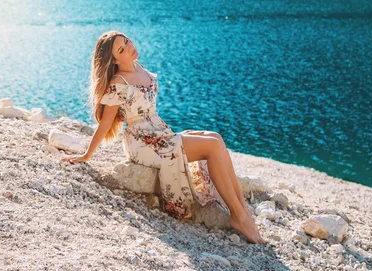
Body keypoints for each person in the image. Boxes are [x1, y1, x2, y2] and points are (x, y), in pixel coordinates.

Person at [61, 31, 265, 244]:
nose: (130, 47)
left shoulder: (138, 66)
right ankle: (239, 217)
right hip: (142, 141)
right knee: (211, 147)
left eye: (127, 41)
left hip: (160, 133)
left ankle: (242, 210)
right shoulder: (118, 84)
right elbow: (105, 124)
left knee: (216, 138)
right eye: (122, 49)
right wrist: (86, 155)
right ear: (113, 59)